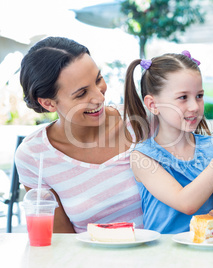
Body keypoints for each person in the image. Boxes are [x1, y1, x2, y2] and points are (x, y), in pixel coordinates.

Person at [15, 36, 144, 233]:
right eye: (82, 93)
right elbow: (61, 242)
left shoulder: (141, 122)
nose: (100, 97)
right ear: (48, 103)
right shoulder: (34, 155)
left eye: (98, 79)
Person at [124, 51, 213, 234]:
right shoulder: (142, 157)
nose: (195, 107)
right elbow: (186, 203)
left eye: (199, 96)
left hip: (209, 254)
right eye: (183, 98)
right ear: (153, 105)